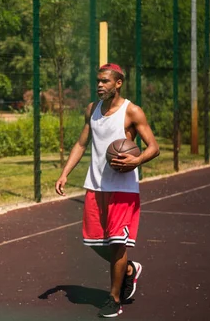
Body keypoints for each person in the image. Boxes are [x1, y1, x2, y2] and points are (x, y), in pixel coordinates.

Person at [54, 63, 159, 318]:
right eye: (98, 81)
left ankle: (114, 299)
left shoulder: (131, 111)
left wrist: (136, 161)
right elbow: (81, 143)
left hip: (123, 189)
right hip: (95, 186)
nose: (100, 85)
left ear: (118, 83)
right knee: (93, 242)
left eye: (105, 81)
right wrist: (65, 172)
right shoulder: (92, 109)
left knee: (117, 244)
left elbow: (153, 147)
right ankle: (129, 269)